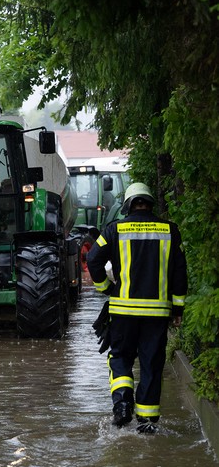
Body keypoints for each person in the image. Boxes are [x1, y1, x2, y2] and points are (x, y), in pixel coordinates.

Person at [86, 182, 187, 434]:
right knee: (152, 364)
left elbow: (92, 258)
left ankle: (122, 403)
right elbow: (179, 273)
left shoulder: (114, 229)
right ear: (150, 203)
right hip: (156, 314)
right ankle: (147, 422)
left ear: (128, 204)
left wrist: (105, 289)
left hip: (123, 311)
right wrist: (178, 309)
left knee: (120, 357)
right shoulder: (171, 230)